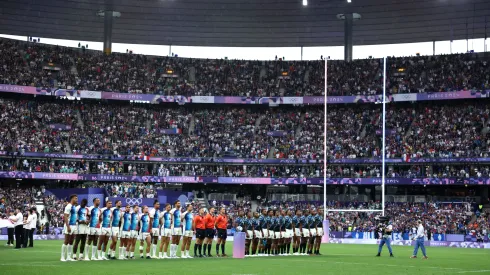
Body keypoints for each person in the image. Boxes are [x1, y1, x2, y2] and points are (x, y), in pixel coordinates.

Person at [61, 194, 78, 261]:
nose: (77, 200)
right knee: (66, 241)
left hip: (74, 225)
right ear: (72, 199)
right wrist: (68, 226)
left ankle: (68, 257)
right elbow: (65, 216)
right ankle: (62, 257)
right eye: (75, 198)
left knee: (71, 241)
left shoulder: (74, 207)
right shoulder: (69, 206)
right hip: (69, 225)